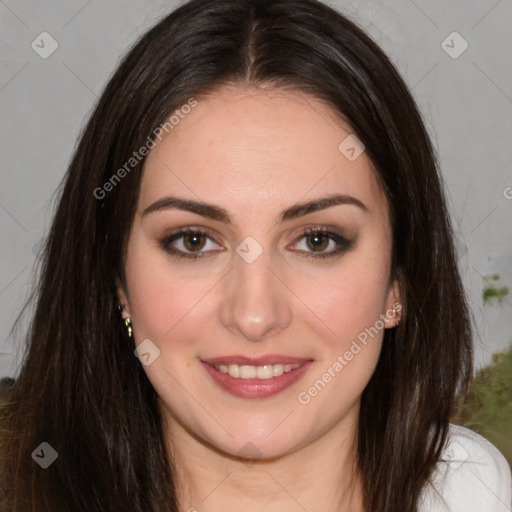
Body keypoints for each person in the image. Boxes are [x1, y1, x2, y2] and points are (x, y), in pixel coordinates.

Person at [0, 0, 510, 511]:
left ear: (398, 281)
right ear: (117, 280)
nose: (254, 315)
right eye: (194, 241)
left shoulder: (475, 494)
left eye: (317, 240)